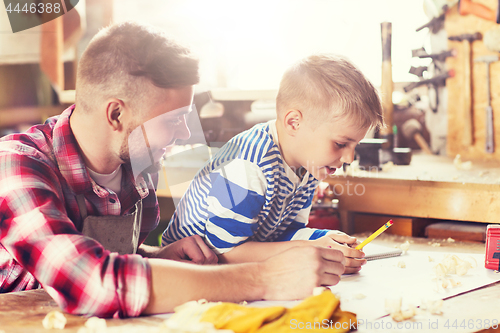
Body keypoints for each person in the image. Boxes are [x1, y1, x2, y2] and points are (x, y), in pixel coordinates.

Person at [0, 22, 348, 318]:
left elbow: (105, 255)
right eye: (174, 120)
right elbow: (90, 281)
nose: (185, 134)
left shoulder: (137, 166)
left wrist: (155, 256)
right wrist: (265, 278)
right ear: (116, 115)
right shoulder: (16, 166)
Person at [162, 54, 384, 270]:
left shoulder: (308, 165)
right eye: (340, 144)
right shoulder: (249, 164)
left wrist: (326, 242)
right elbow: (225, 252)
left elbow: (283, 236)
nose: (349, 158)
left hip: (234, 265)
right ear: (294, 123)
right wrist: (310, 249)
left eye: (356, 145)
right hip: (189, 268)